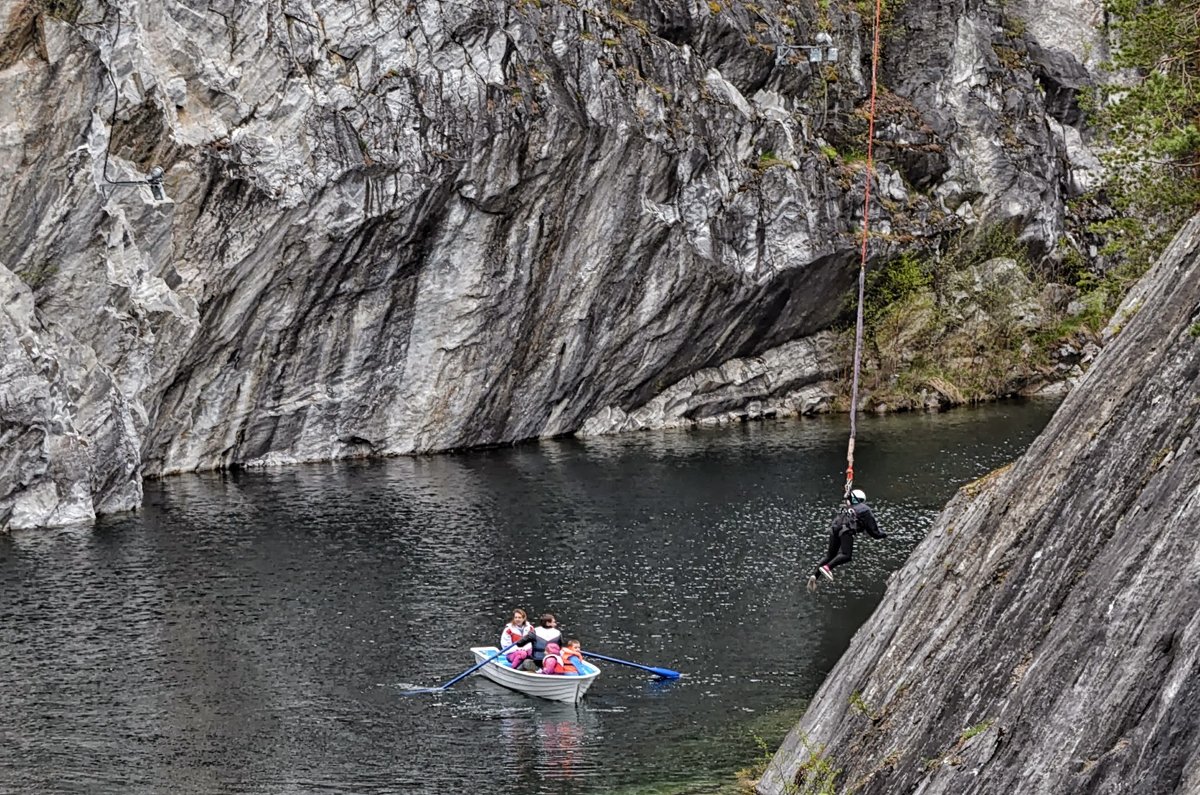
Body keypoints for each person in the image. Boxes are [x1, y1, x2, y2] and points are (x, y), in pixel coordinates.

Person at [807, 488, 887, 591]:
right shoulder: (865, 510)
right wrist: (884, 534)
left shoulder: (846, 508)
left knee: (830, 555)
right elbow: (874, 532)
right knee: (846, 555)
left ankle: (815, 576)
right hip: (846, 530)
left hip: (834, 529)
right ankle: (827, 568)